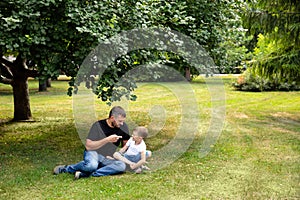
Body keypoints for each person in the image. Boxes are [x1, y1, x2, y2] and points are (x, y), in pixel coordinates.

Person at [53, 106, 130, 179]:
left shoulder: (123, 127)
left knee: (121, 166)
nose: (122, 123)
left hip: (108, 158)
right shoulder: (98, 125)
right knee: (91, 166)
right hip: (93, 153)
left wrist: (118, 155)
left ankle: (88, 174)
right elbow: (88, 146)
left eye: (123, 121)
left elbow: (125, 145)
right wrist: (107, 140)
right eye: (120, 121)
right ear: (112, 118)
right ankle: (66, 169)